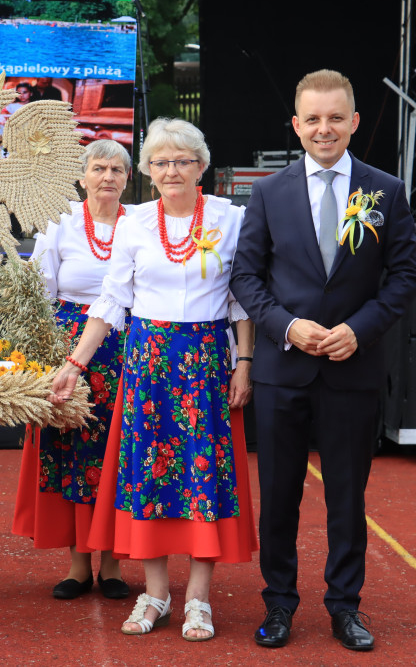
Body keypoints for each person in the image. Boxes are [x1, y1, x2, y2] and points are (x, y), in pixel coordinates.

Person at [230, 69, 416, 652]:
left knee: (347, 497)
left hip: (351, 372)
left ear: (354, 122)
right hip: (283, 370)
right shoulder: (268, 192)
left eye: (336, 117)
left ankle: (345, 607)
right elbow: (246, 276)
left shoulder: (384, 191)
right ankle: (280, 605)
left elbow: (406, 275)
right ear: (295, 124)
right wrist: (288, 326)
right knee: (280, 495)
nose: (324, 128)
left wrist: (358, 331)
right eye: (312, 118)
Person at [50, 118, 257, 642]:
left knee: (202, 478)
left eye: (183, 160)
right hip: (147, 365)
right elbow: (113, 300)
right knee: (150, 478)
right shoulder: (136, 224)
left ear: (201, 167)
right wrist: (75, 364)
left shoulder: (231, 219)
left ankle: (199, 600)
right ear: (148, 171)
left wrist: (245, 362)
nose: (172, 170)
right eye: (161, 162)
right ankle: (156, 593)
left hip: (206, 363)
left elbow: (241, 298)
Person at [12, 139, 132, 601]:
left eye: (117, 169)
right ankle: (78, 565)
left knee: (118, 453)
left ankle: (114, 564)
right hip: (68, 356)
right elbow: (38, 292)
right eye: (99, 168)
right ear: (82, 176)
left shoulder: (140, 223)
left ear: (127, 177)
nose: (108, 177)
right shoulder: (59, 221)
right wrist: (43, 359)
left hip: (126, 352)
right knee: (69, 451)